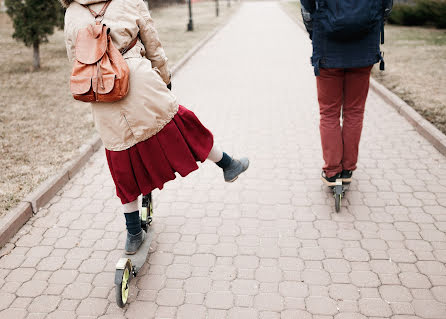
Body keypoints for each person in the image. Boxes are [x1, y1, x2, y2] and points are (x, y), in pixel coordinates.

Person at [60, 0, 249, 254]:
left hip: (101, 90)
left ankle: (133, 233)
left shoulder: (72, 12)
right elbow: (153, 44)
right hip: (139, 80)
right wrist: (164, 78)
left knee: (120, 159)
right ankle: (228, 164)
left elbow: (75, 59)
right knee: (182, 126)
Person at [300, 0, 393, 186]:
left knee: (329, 113)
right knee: (355, 111)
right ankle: (348, 168)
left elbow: (307, 10)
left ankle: (332, 171)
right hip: (364, 48)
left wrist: (316, 33)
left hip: (328, 48)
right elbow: (386, 7)